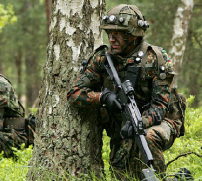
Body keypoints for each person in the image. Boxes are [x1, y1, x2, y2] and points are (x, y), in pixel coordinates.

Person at [67, 4, 181, 180]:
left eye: (118, 35)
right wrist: (103, 97)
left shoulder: (155, 58)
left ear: (133, 35)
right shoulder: (102, 58)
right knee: (124, 176)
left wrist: (141, 122)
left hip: (161, 122)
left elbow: (160, 106)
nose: (111, 40)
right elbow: (74, 93)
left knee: (148, 138)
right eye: (109, 34)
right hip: (122, 130)